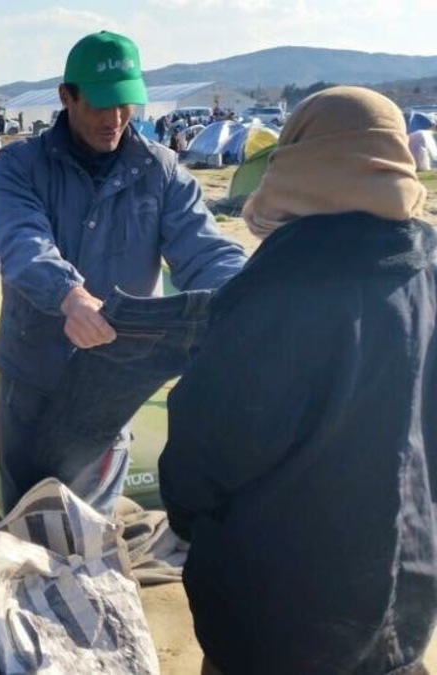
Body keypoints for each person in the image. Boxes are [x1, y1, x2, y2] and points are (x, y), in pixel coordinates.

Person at [160, 86, 437, 675]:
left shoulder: (271, 296)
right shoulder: (428, 278)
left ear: (299, 167)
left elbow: (198, 457)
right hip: (402, 603)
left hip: (276, 616)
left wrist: (193, 526)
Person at [0, 30, 246, 514]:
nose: (115, 119)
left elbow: (204, 251)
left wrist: (252, 294)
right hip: (33, 373)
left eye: (126, 104)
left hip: (116, 380)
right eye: (101, 105)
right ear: (67, 97)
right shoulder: (19, 164)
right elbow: (21, 239)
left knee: (92, 524)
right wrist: (69, 296)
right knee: (26, 519)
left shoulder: (161, 169)